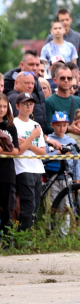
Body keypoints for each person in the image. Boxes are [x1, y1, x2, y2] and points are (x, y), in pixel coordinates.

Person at [13, 93, 46, 231]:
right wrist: (32, 137)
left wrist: (28, 143)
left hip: (37, 168)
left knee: (35, 206)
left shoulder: (36, 125)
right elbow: (19, 151)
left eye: (31, 104)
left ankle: (29, 234)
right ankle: (23, 235)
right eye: (25, 104)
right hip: (23, 168)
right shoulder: (14, 123)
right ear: (17, 106)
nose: (28, 106)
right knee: (27, 205)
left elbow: (43, 152)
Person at [4, 51, 47, 129]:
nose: (35, 68)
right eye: (31, 64)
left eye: (37, 65)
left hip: (39, 131)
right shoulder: (9, 85)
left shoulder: (36, 80)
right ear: (22, 65)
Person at [44, 111, 79, 205]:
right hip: (51, 178)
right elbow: (44, 158)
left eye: (64, 125)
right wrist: (58, 153)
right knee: (52, 204)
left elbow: (76, 161)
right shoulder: (48, 140)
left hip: (67, 178)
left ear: (68, 125)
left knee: (67, 205)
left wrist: (77, 179)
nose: (62, 128)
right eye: (58, 125)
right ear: (52, 125)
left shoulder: (71, 141)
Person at [44, 66, 80, 134]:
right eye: (62, 78)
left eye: (69, 78)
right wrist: (68, 129)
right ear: (55, 80)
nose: (66, 80)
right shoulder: (48, 102)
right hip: (57, 140)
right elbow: (48, 127)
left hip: (78, 139)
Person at [0, 94, 19, 237]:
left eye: (4, 107)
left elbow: (16, 151)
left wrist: (2, 151)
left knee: (7, 209)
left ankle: (6, 242)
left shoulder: (10, 127)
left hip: (7, 174)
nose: (1, 109)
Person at [45, 9, 80, 74]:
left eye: (67, 19)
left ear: (71, 19)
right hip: (54, 75)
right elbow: (45, 59)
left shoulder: (77, 37)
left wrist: (79, 76)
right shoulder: (51, 38)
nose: (65, 22)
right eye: (62, 20)